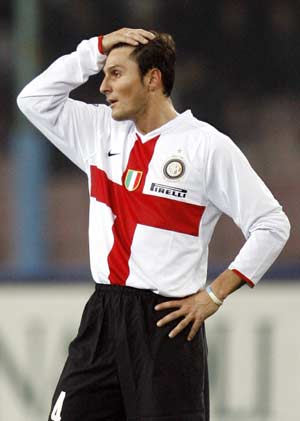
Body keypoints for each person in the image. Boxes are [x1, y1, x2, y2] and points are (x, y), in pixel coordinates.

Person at [17, 28, 290, 421]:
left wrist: (214, 295)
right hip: (103, 316)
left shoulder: (206, 146)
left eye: (115, 74)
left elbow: (271, 223)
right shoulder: (98, 130)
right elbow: (33, 99)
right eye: (103, 74)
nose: (104, 86)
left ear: (152, 78)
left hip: (166, 326)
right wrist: (95, 49)